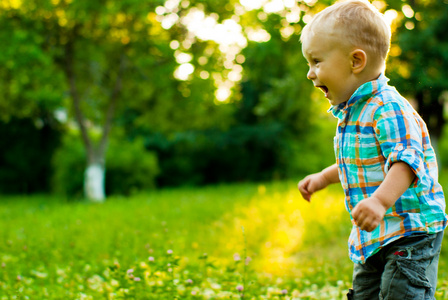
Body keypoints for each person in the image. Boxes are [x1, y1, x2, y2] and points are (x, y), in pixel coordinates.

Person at [297, 0, 447, 299]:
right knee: (365, 293)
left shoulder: (387, 108)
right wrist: (323, 178)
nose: (310, 74)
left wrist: (379, 202)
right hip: (374, 236)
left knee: (400, 293)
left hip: (410, 231)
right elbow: (356, 163)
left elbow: (405, 163)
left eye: (316, 62)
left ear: (356, 61)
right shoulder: (354, 112)